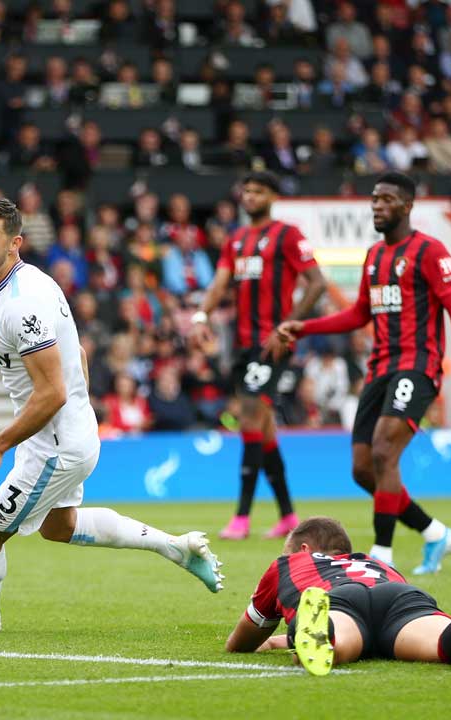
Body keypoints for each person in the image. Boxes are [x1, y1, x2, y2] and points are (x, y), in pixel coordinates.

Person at [0, 195, 222, 636]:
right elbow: (75, 356)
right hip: (67, 436)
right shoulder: (30, 284)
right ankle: (175, 548)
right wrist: (78, 410)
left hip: (54, 446)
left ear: (14, 244)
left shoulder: (20, 304)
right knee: (58, 527)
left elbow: (51, 393)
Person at [272, 172, 451, 574]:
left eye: (387, 199)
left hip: (417, 364)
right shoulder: (374, 257)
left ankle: (381, 554)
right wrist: (305, 326)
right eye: (374, 199)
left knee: (385, 451)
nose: (377, 206)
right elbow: (358, 314)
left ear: (408, 206)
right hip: (379, 368)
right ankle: (435, 533)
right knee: (363, 468)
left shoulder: (430, 252)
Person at [225, 517, 451, 675]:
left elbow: (240, 642)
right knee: (440, 641)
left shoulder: (291, 562)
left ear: (303, 548)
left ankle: (319, 632)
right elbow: (380, 614)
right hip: (400, 596)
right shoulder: (375, 562)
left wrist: (268, 640)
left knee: (335, 640)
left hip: (338, 601)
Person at [191, 171, 326, 540]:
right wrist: (202, 316)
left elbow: (317, 283)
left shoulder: (288, 235)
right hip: (242, 343)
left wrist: (289, 325)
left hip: (273, 343)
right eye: (246, 190)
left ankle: (242, 517)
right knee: (262, 428)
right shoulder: (235, 240)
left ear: (271, 195)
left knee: (249, 414)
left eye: (258, 191)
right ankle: (287, 515)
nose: (250, 196)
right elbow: (220, 282)